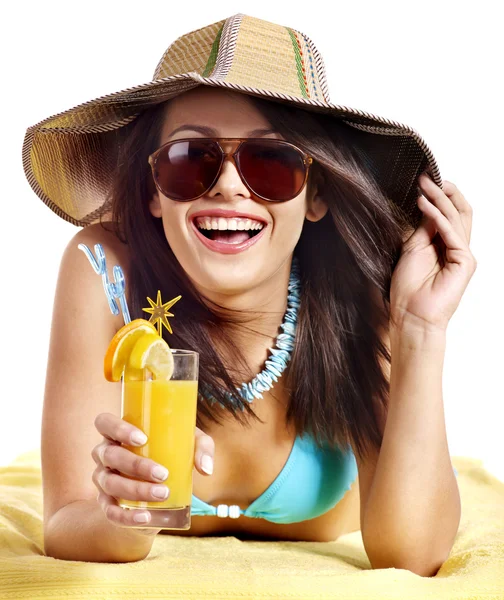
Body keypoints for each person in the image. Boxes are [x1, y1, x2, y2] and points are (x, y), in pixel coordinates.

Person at [26, 14, 476, 574]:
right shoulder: (104, 270)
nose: (230, 185)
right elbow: (66, 520)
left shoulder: (359, 286)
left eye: (272, 162)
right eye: (191, 159)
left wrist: (423, 329)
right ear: (150, 191)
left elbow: (412, 555)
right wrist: (124, 518)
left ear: (315, 195)